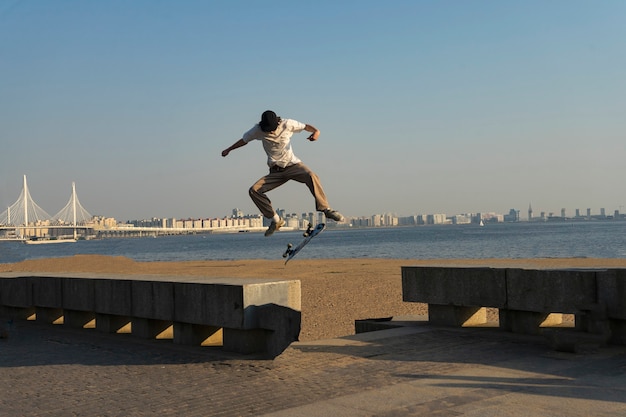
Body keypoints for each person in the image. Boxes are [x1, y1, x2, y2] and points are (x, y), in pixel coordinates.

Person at [222, 110, 344, 236]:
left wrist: (316, 132)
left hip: (293, 166)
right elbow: (244, 140)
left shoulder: (287, 123)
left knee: (311, 176)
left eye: (272, 129)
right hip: (275, 172)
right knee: (254, 190)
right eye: (267, 130)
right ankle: (276, 220)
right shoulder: (257, 130)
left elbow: (306, 126)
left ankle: (326, 209)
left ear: (277, 123)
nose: (271, 132)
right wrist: (229, 149)